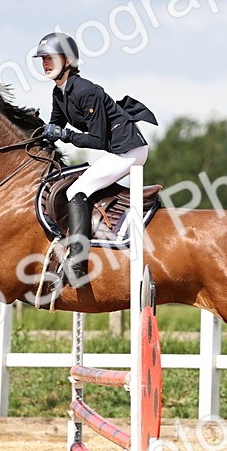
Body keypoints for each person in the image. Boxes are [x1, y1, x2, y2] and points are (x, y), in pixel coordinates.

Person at [34, 32, 157, 287]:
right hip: (117, 150)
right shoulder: (59, 92)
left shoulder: (86, 91)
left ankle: (78, 263)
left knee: (77, 189)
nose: (45, 63)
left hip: (129, 150)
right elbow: (54, 126)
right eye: (43, 59)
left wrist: (65, 135)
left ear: (67, 61)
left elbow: (97, 140)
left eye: (50, 58)